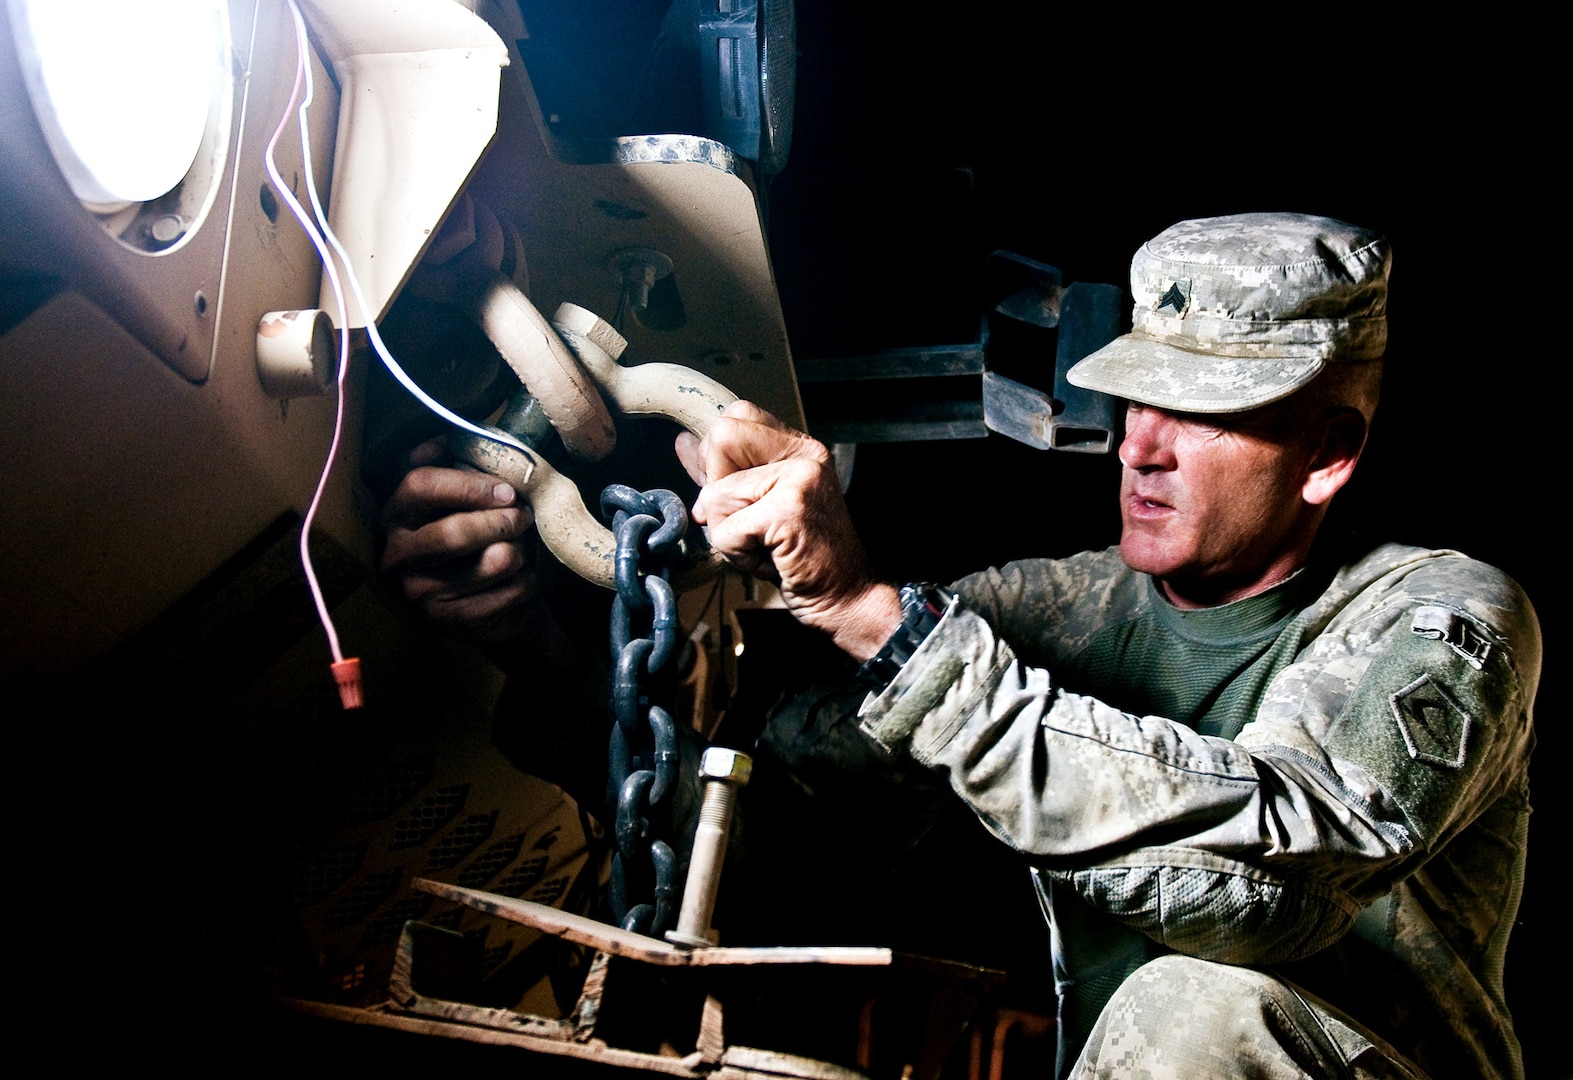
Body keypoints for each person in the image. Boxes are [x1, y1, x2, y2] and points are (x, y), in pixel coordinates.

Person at [673, 213, 1540, 1079]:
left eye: (1199, 412)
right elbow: (762, 849)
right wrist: (545, 650)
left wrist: (871, 616)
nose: (1137, 446)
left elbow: (1274, 884)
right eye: (1138, 396)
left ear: (1325, 452)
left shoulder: (1438, 615)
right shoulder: (1049, 609)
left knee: (1195, 1011)